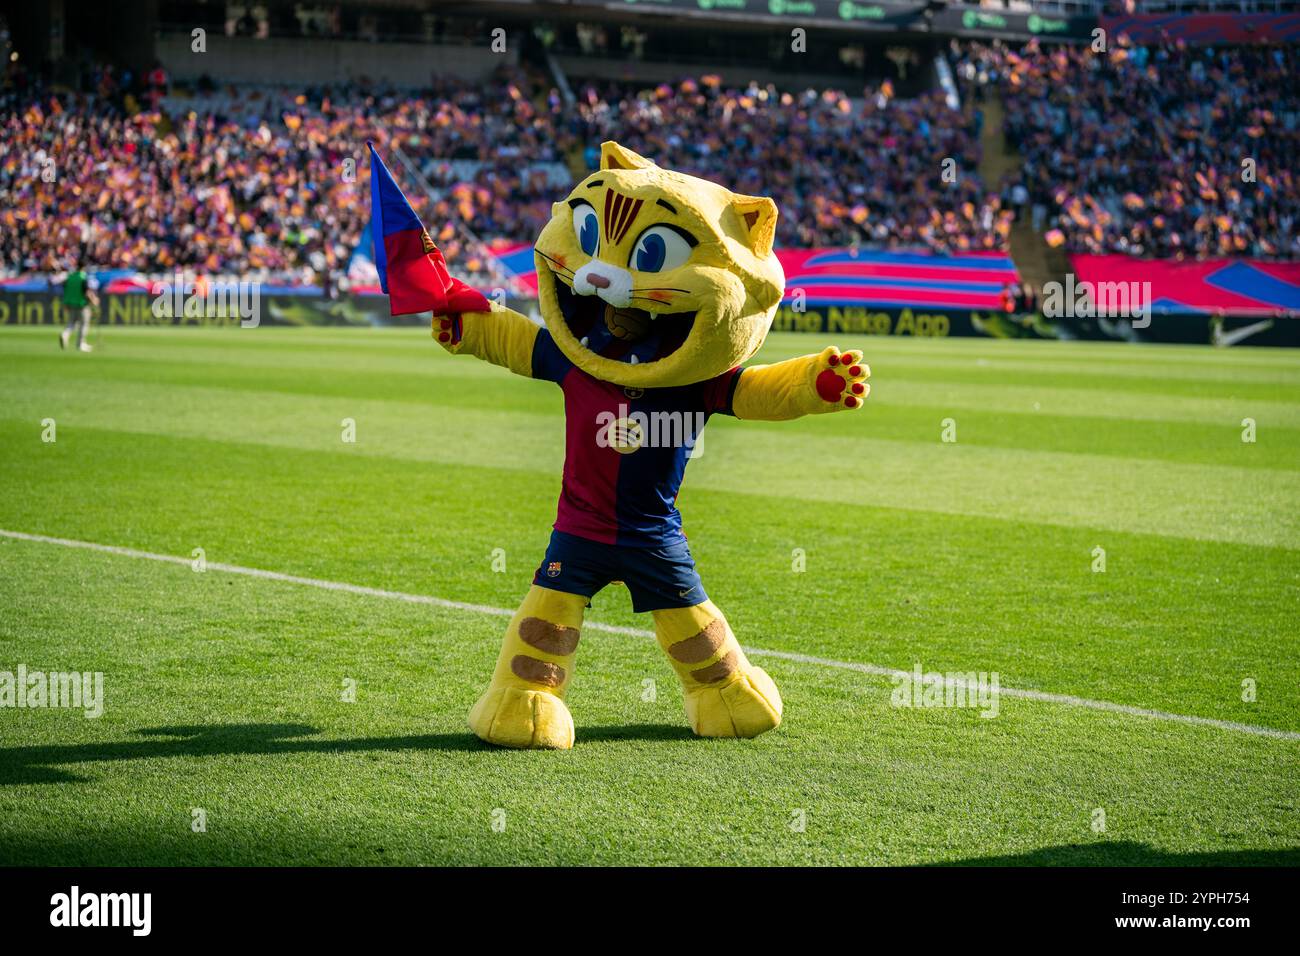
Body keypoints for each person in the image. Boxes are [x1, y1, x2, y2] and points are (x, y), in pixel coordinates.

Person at [58, 258, 99, 353]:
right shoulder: (83, 277)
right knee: (84, 324)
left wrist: (65, 303)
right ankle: (80, 344)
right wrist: (94, 300)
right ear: (84, 267)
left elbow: (65, 290)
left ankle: (65, 335)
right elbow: (87, 291)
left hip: (70, 303)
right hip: (81, 304)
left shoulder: (71, 276)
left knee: (71, 323)